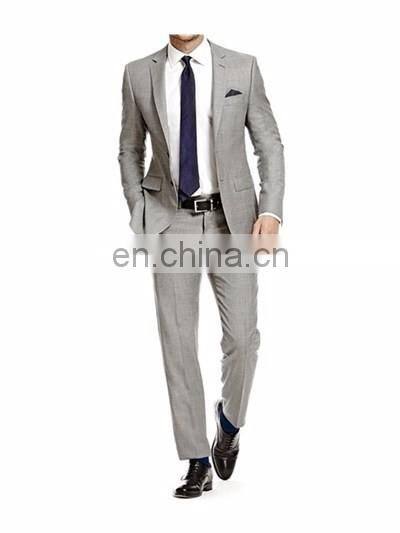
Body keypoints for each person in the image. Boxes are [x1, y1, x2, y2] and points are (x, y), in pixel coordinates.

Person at [118, 34, 284, 498]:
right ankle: (196, 460)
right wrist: (140, 208)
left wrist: (271, 211)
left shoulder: (243, 66)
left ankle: (229, 423)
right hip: (170, 220)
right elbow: (129, 148)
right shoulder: (138, 73)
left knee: (243, 338)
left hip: (234, 219)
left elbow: (269, 144)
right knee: (178, 342)